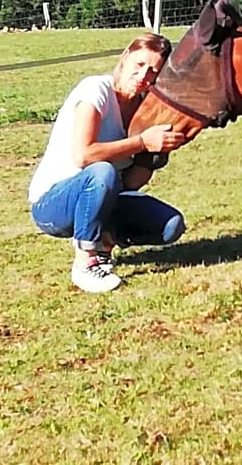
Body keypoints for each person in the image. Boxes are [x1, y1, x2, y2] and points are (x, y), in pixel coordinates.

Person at [28, 32, 189, 293]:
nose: (143, 76)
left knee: (171, 225)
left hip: (103, 193)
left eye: (153, 72)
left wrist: (155, 155)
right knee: (101, 171)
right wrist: (142, 142)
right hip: (52, 203)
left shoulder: (144, 109)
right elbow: (84, 155)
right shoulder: (96, 89)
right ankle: (85, 263)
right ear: (124, 58)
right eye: (139, 65)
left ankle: (105, 242)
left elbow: (130, 182)